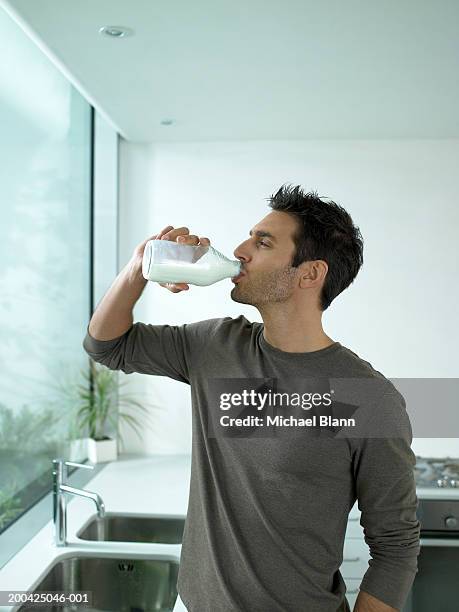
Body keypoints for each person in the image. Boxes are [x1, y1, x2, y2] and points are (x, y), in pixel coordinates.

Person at [83, 184, 420, 612]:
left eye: (262, 243)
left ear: (309, 274)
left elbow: (396, 546)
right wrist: (139, 266)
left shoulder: (367, 397)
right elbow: (106, 345)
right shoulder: (215, 345)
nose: (240, 250)